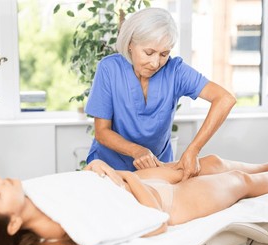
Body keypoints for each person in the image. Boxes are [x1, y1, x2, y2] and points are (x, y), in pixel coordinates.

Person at [0, 145, 268, 245]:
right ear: (10, 224)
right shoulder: (66, 230)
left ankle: (267, 164)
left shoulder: (36, 194)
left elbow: (85, 184)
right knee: (237, 182)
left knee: (210, 162)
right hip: (167, 202)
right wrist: (129, 178)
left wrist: (98, 167)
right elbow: (155, 223)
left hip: (130, 183)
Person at [85, 7, 237, 181]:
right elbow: (102, 132)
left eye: (164, 54)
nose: (155, 63)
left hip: (156, 170)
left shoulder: (175, 71)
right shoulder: (109, 69)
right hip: (108, 167)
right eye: (148, 53)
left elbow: (225, 99)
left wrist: (193, 149)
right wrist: (137, 150)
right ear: (130, 44)